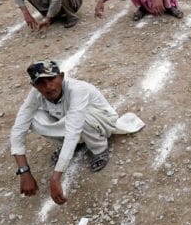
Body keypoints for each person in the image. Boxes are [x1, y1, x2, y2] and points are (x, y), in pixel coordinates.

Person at [10, 60, 118, 205]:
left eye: (51, 79)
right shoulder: (36, 94)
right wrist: (24, 171)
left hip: (102, 122)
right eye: (41, 83)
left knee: (81, 118)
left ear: (61, 77)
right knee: (33, 120)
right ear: (34, 86)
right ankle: (80, 144)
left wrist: (55, 178)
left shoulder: (77, 89)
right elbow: (18, 128)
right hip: (71, 122)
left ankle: (99, 149)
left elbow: (73, 130)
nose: (48, 86)